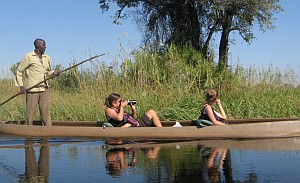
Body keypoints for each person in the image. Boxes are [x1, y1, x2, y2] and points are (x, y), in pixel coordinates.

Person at [15, 38, 60, 126]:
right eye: (44, 45)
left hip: (44, 88)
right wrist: (21, 86)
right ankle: (28, 129)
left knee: (45, 112)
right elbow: (19, 71)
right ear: (38, 46)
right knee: (30, 112)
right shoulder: (28, 57)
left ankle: (48, 130)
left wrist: (54, 73)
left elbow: (48, 71)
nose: (45, 47)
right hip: (32, 89)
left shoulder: (47, 57)